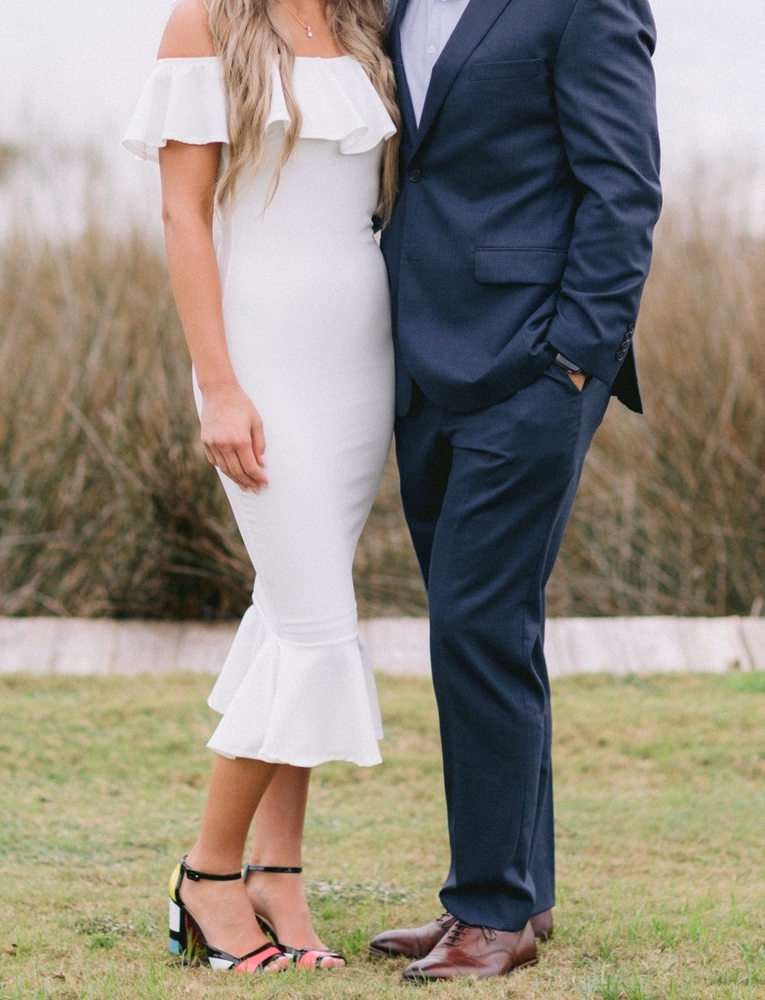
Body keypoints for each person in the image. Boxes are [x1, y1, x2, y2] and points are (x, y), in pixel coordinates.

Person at [366, 0, 661, 982]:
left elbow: (623, 188)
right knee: (490, 625)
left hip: (533, 367)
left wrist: (576, 358)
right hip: (424, 358)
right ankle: (517, 891)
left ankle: (488, 911)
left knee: (473, 621)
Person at [123, 0, 400, 973]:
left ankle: (276, 872)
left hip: (361, 358)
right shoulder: (203, 26)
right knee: (318, 623)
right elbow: (182, 213)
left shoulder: (366, 24)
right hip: (262, 359)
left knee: (291, 613)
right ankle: (207, 878)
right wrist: (221, 384)